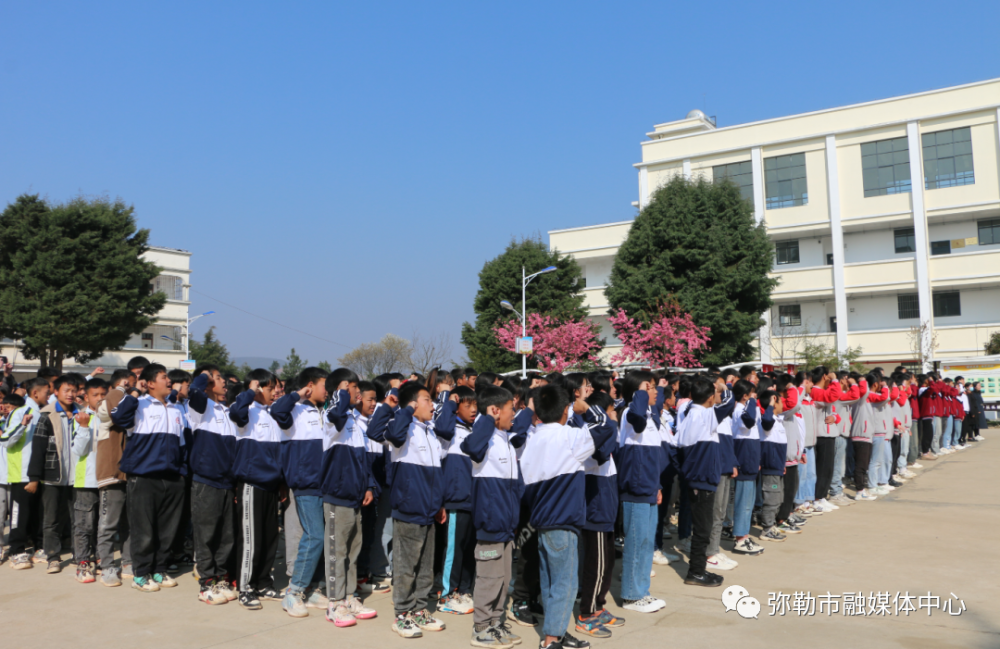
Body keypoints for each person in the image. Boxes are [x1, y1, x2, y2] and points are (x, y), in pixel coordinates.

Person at [520, 384, 613, 649]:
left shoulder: (533, 438)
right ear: (565, 410)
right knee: (565, 584)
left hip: (542, 522)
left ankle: (556, 632)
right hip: (563, 523)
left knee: (550, 583)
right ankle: (552, 640)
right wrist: (585, 407)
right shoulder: (569, 437)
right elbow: (606, 425)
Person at [111, 363, 186, 592]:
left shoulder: (175, 408)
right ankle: (140, 574)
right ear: (150, 382)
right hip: (144, 477)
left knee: (167, 529)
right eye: (164, 377)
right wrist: (135, 391)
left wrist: (181, 472)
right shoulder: (139, 404)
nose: (169, 381)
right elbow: (119, 418)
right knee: (144, 529)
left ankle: (159, 570)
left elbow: (182, 444)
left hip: (172, 477)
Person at [460, 385, 523, 649]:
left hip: (506, 526)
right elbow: (471, 446)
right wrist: (487, 418)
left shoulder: (505, 440)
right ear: (496, 411)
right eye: (511, 410)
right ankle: (481, 627)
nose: (514, 415)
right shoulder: (482, 438)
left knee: (503, 578)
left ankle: (496, 623)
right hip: (489, 525)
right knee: (489, 579)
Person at [385, 381, 448, 639]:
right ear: (412, 404)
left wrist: (439, 503)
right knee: (405, 565)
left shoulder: (430, 432)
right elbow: (394, 435)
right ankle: (402, 613)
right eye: (426, 400)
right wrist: (407, 408)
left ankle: (420, 610)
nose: (432, 405)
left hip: (429, 511)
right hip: (408, 509)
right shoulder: (402, 427)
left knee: (425, 565)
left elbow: (436, 474)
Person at [271, 367, 332, 614]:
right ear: (309, 386)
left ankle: (312, 590)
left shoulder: (323, 412)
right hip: (305, 483)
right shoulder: (293, 410)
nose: (327, 391)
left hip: (324, 484)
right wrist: (298, 395)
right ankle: (293, 591)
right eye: (324, 386)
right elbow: (276, 410)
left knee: (322, 538)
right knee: (314, 535)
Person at [320, 368, 378, 627]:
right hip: (337, 495)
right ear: (344, 388)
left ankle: (349, 596)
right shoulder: (333, 416)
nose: (359, 392)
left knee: (353, 550)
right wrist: (342, 392)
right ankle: (334, 603)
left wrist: (367, 485)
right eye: (354, 388)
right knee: (337, 551)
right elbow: (335, 413)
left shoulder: (355, 421)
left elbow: (362, 458)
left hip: (356, 496)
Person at [229, 370, 285, 610]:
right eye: (271, 387)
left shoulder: (273, 414)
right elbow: (236, 412)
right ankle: (245, 587)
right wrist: (251, 390)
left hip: (272, 485)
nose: (275, 392)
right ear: (258, 388)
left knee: (270, 537)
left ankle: (263, 582)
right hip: (252, 483)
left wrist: (282, 481)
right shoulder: (246, 410)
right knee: (252, 539)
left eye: (276, 388)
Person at [186, 366, 239, 605]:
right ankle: (206, 583)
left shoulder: (227, 411)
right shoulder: (201, 407)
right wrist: (205, 376)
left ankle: (220, 578)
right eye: (218, 379)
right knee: (206, 534)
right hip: (206, 481)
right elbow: (193, 389)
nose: (224, 383)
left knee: (225, 535)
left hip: (227, 483)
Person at [615, 371, 666, 614]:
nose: (656, 392)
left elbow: (653, 459)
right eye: (651, 387)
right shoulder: (631, 413)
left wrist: (657, 485)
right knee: (636, 543)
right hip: (635, 490)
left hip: (648, 488)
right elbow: (636, 417)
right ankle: (632, 596)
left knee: (646, 542)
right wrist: (640, 393)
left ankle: (642, 591)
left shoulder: (648, 415)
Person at [575, 392, 625, 639]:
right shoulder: (591, 435)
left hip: (606, 509)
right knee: (595, 565)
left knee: (607, 563)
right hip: (595, 509)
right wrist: (611, 425)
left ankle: (599, 605)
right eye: (611, 411)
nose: (615, 415)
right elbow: (602, 451)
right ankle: (587, 613)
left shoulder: (605, 432)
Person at [675, 376, 732, 587]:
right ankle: (696, 572)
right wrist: (724, 387)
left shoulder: (690, 413)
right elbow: (729, 402)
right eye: (714, 394)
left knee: (701, 527)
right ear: (710, 397)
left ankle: (698, 570)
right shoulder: (705, 415)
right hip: (702, 479)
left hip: (696, 478)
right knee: (702, 529)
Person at [28, 374, 86, 573]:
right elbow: (38, 449)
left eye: (74, 390)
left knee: (78, 518)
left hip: (77, 477)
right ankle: (53, 556)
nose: (71, 395)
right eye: (66, 390)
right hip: (53, 477)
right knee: (51, 519)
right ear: (56, 392)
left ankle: (81, 555)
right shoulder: (47, 415)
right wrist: (34, 477)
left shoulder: (82, 413)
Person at [433, 385, 478, 616]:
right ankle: (446, 595)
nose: (472, 410)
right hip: (454, 500)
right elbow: (440, 426)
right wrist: (448, 401)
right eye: (467, 404)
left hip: (473, 501)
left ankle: (464, 590)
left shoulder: (476, 429)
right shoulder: (448, 430)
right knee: (453, 549)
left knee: (470, 549)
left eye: (475, 405)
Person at [2, 377, 48, 568]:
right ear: (35, 393)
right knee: (18, 514)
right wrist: (22, 425)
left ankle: (38, 546)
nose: (50, 395)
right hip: (22, 473)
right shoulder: (21, 412)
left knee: (38, 512)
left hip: (39, 473)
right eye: (48, 392)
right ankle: (16, 550)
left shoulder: (42, 412)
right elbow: (6, 440)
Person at [95, 369, 134, 586]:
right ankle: (108, 566)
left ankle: (127, 562)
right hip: (112, 472)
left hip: (128, 472)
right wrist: (125, 389)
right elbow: (114, 401)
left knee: (129, 523)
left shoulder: (124, 400)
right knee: (109, 523)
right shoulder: (112, 398)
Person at [69, 378, 106, 583]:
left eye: (103, 394)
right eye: (95, 395)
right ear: (87, 397)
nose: (100, 399)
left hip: (107, 478)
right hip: (86, 480)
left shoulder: (112, 417)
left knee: (104, 524)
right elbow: (77, 450)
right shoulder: (82, 417)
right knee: (84, 524)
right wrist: (83, 426)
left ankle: (102, 558)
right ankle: (83, 563)